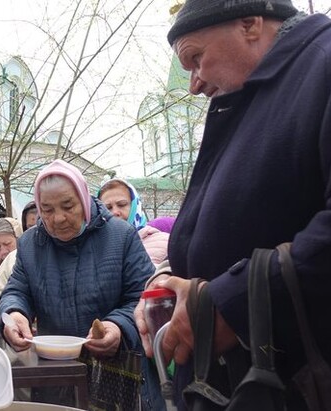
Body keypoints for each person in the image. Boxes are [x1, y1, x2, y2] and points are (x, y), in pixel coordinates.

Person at [133, 1, 331, 410]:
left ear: (250, 23)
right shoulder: (251, 99)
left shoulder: (322, 67)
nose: (194, 83)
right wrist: (170, 286)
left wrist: (231, 305)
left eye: (196, 58)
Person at [0, 159, 164, 410]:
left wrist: (117, 327)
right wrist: (13, 313)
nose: (59, 218)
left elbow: (143, 297)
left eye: (68, 206)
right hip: (57, 377)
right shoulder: (32, 243)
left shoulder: (121, 236)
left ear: (85, 200)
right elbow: (17, 290)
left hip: (119, 374)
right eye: (47, 209)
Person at [98, 178, 170, 264]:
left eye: (121, 205)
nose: (115, 212)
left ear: (135, 206)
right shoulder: (95, 248)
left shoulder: (165, 243)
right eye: (108, 208)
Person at [0, 217, 23, 324]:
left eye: (7, 244)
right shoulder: (0, 269)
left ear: (19, 237)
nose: (3, 251)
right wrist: (11, 322)